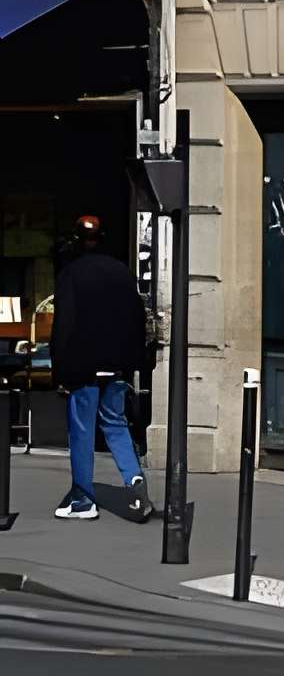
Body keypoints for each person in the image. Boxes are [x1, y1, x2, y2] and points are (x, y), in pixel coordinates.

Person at [49, 216, 153, 523]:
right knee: (116, 423)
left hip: (85, 366)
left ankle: (83, 497)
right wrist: (132, 362)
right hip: (118, 365)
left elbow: (64, 326)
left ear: (78, 241)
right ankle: (134, 481)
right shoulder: (122, 272)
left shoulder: (71, 274)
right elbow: (138, 319)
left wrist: (61, 370)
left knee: (81, 430)